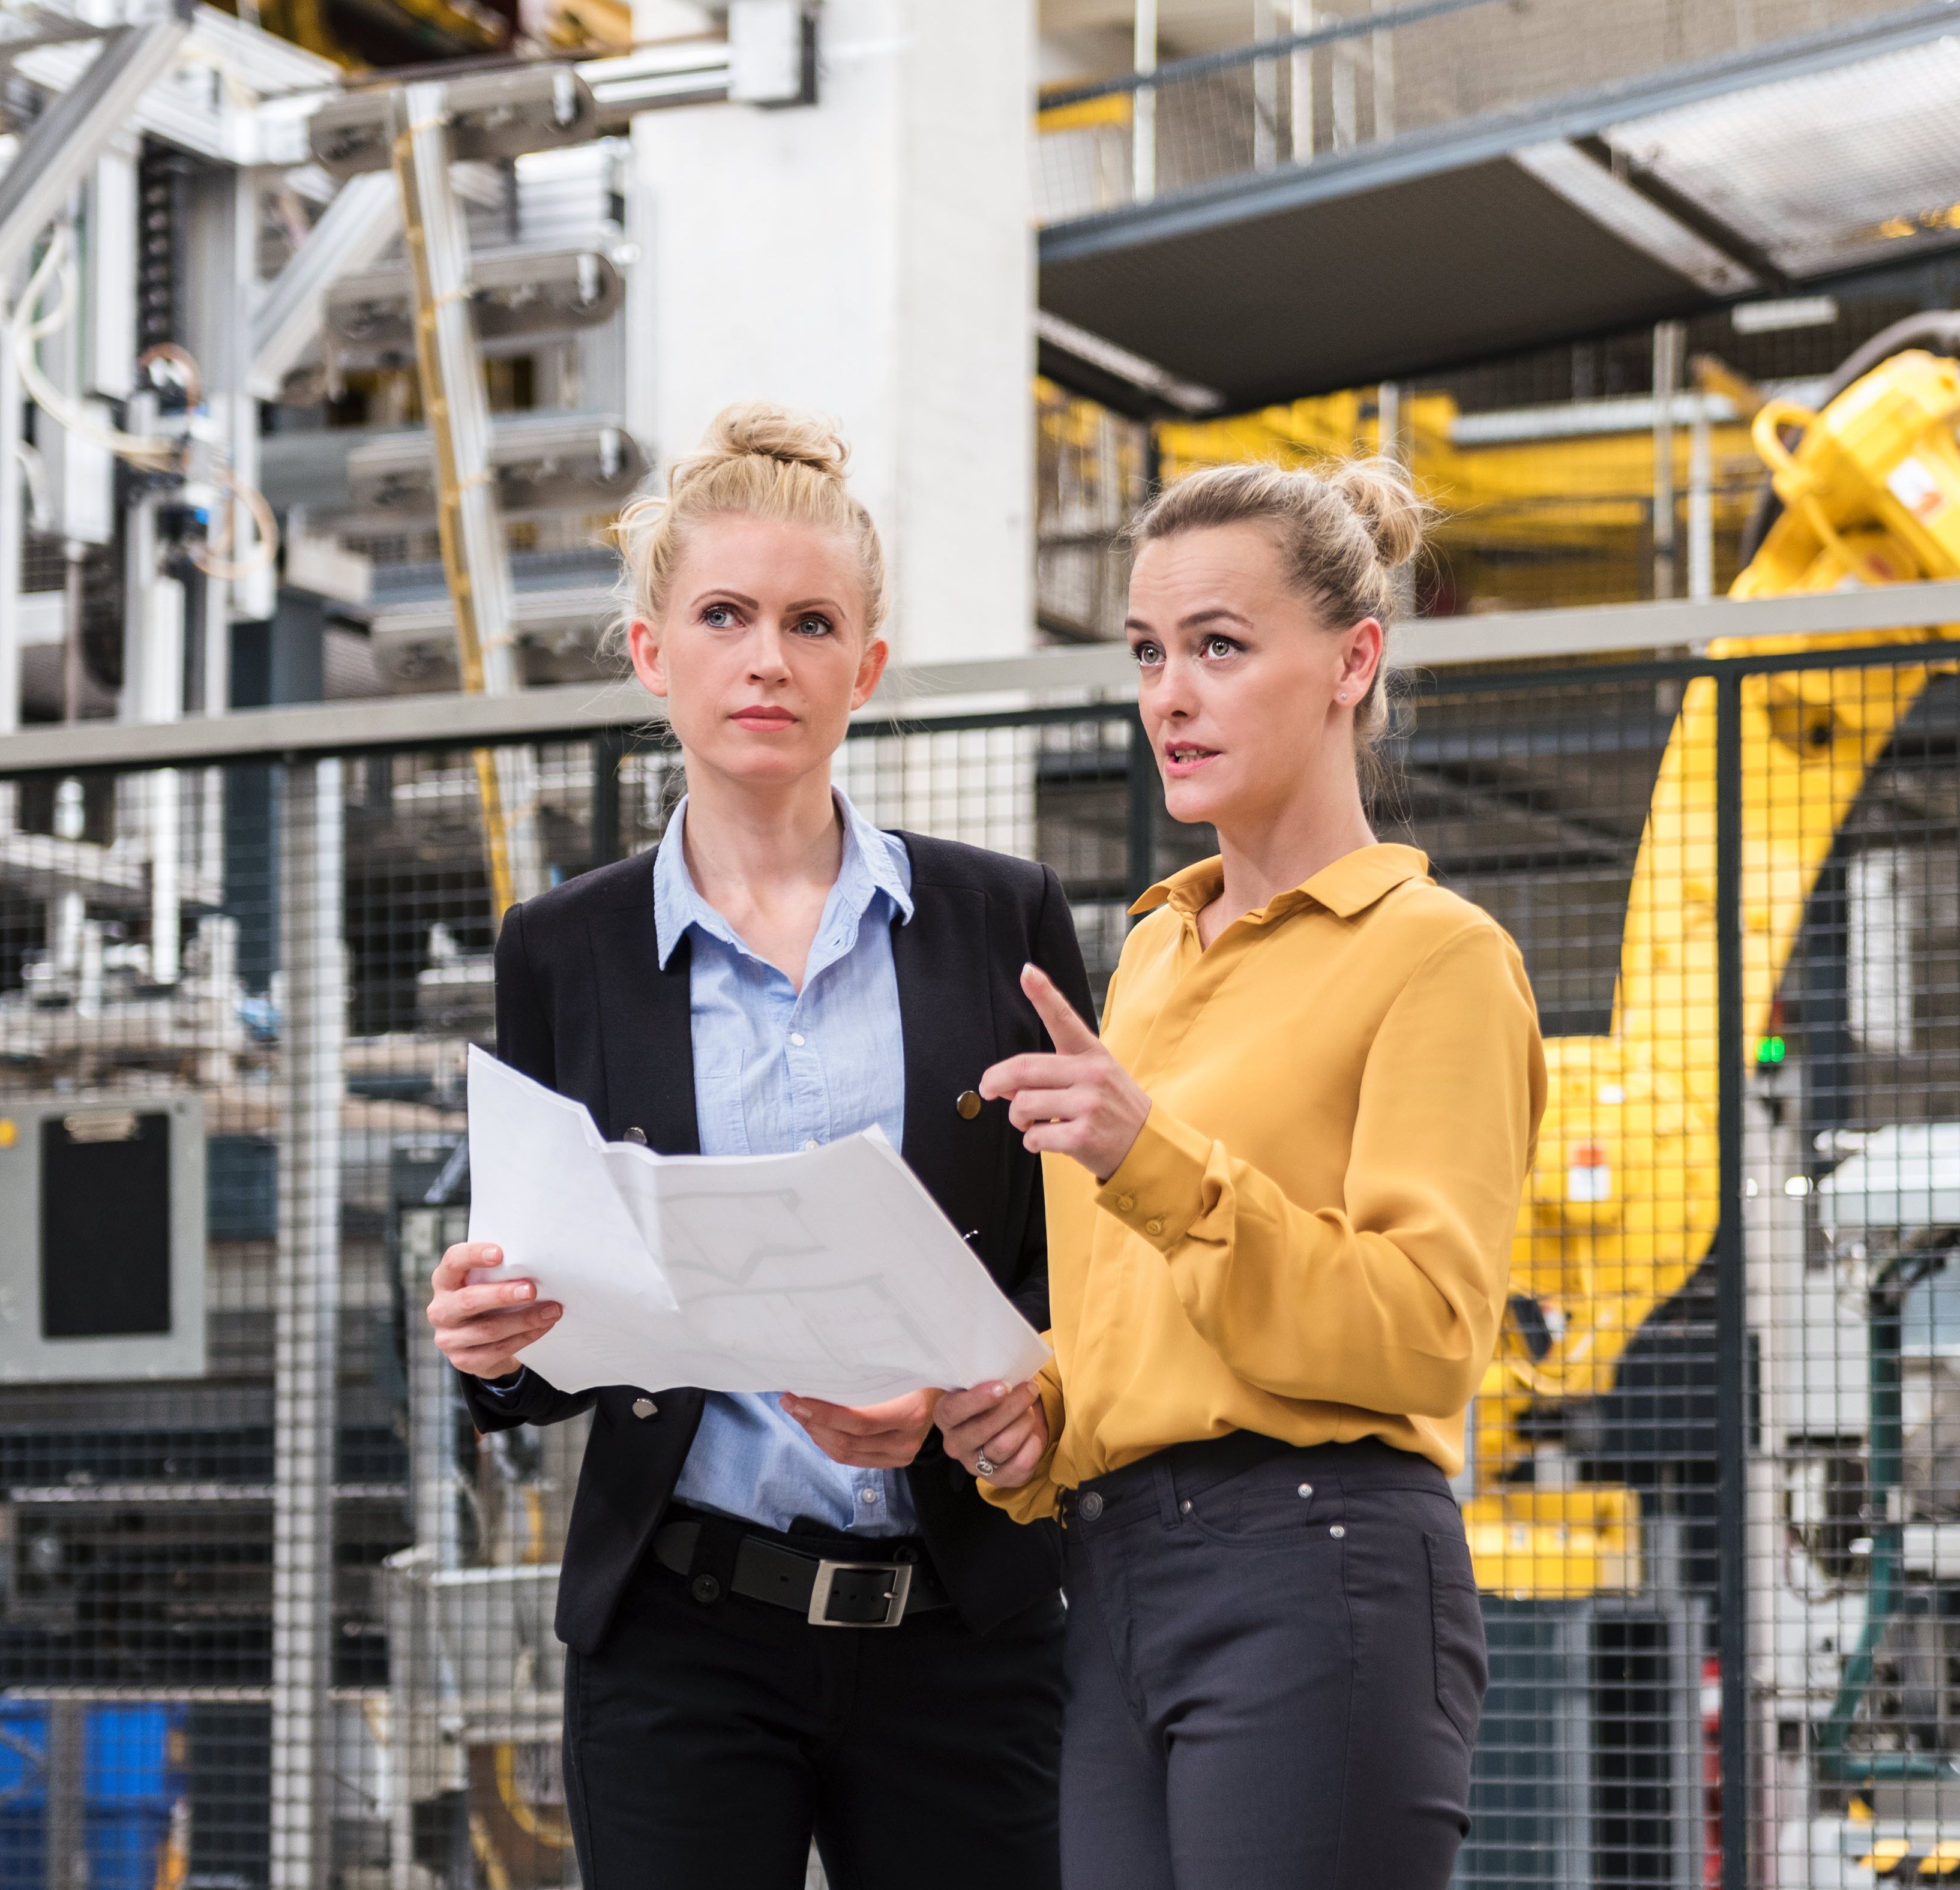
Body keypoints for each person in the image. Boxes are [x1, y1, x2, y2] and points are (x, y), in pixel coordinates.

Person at [418, 404, 1090, 1890]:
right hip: (683, 1635)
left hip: (966, 1632)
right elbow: (547, 1305)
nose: (767, 658)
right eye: (723, 615)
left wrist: (992, 1393)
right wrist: (489, 1340)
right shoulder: (563, 949)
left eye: (810, 622)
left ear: (869, 665)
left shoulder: (1001, 921)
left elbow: (1080, 1274)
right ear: (655, 653)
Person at [930, 457, 1547, 1890]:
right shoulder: (1147, 958)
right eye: (1147, 653)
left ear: (1353, 659)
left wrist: (1152, 1159)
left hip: (1316, 1569)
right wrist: (1031, 1420)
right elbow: (1138, 1331)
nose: (1168, 696)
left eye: (1218, 646)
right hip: (1116, 1577)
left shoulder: (1436, 956)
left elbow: (1424, 1335)